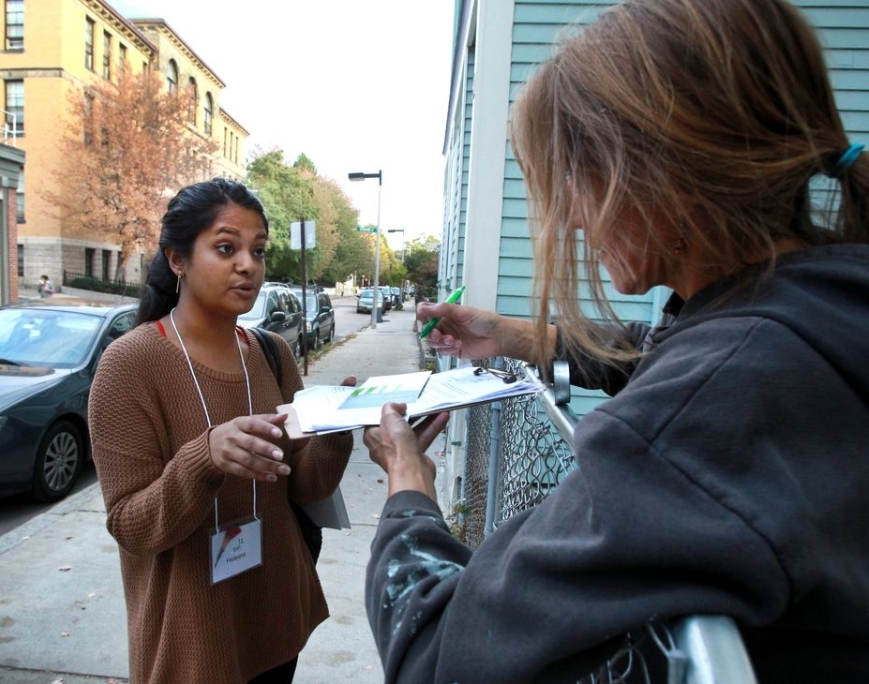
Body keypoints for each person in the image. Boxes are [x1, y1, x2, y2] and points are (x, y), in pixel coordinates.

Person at [362, 0, 869, 682]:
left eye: (576, 174)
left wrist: (407, 487)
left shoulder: (711, 406)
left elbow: (436, 657)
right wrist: (512, 334)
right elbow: (662, 348)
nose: (569, 216)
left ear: (665, 169)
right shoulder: (815, 305)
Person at [87, 178, 355, 684]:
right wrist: (204, 457)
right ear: (177, 259)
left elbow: (305, 486)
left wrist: (337, 430)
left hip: (277, 616)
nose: (248, 265)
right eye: (226, 247)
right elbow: (131, 526)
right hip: (194, 637)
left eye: (258, 250)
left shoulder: (271, 352)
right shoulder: (130, 364)